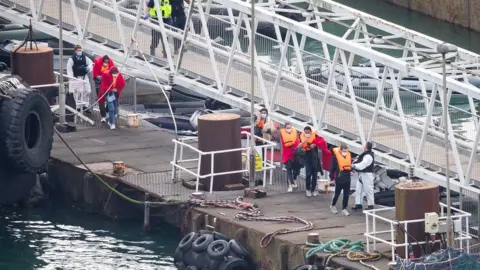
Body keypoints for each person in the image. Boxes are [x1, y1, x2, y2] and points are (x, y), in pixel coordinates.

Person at [299, 126, 329, 197]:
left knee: (315, 175)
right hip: (307, 157)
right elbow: (299, 147)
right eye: (305, 133)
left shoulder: (315, 136)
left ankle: (313, 189)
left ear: (311, 132)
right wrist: (303, 142)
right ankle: (308, 189)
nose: (307, 134)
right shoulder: (302, 137)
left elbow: (322, 142)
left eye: (308, 132)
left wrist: (315, 144)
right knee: (308, 174)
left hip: (314, 157)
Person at [66, 44, 93, 114]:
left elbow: (91, 64)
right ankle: (77, 107)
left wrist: (89, 68)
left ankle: (85, 105)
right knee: (77, 92)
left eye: (80, 50)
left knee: (88, 91)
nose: (79, 52)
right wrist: (71, 80)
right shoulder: (71, 59)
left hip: (84, 77)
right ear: (75, 51)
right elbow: (69, 70)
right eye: (78, 50)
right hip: (76, 77)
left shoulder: (85, 58)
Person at [329, 143, 352, 216]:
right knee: (337, 193)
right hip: (339, 178)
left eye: (346, 151)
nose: (345, 152)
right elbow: (332, 168)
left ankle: (344, 209)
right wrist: (332, 178)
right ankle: (332, 205)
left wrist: (351, 171)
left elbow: (349, 166)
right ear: (340, 150)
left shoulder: (348, 155)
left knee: (346, 195)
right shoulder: (335, 157)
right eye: (343, 151)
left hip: (347, 177)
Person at [351, 142, 375, 211]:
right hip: (361, 174)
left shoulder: (368, 156)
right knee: (358, 190)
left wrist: (354, 166)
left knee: (368, 190)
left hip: (367, 174)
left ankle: (371, 205)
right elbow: (357, 161)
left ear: (366, 147)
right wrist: (354, 167)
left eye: (364, 145)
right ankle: (358, 204)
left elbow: (363, 164)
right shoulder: (364, 155)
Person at [93, 55, 116, 123]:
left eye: (107, 62)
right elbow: (95, 73)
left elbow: (114, 72)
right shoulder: (97, 62)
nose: (106, 63)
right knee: (101, 100)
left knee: (109, 99)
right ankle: (103, 116)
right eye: (105, 62)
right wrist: (98, 77)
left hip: (107, 84)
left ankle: (107, 111)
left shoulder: (111, 63)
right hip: (99, 83)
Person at [280, 122, 300, 192]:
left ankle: (294, 180)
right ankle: (290, 185)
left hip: (295, 154)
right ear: (285, 128)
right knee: (289, 170)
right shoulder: (282, 134)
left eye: (290, 127)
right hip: (287, 155)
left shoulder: (295, 133)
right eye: (287, 128)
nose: (289, 129)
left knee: (297, 170)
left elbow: (297, 143)